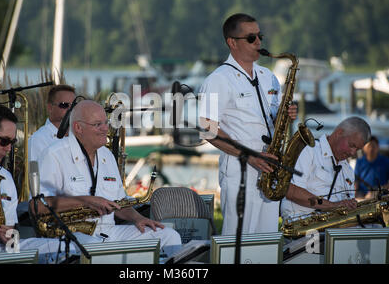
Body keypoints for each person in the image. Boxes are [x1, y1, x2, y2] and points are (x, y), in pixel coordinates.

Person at [0, 104, 98, 264]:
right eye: (4, 141)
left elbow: (10, 233)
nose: (9, 148)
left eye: (12, 142)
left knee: (78, 246)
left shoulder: (4, 177)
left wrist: (11, 235)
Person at [37, 100, 181, 255]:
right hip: (72, 234)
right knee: (94, 248)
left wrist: (138, 218)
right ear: (78, 128)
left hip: (109, 232)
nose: (106, 128)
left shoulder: (107, 155)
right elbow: (39, 206)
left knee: (169, 236)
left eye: (106, 123)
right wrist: (85, 201)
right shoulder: (54, 155)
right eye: (98, 124)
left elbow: (119, 202)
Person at [198, 13, 297, 235]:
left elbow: (272, 120)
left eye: (259, 36)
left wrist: (287, 115)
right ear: (232, 42)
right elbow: (207, 129)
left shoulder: (268, 76)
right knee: (239, 242)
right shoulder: (217, 79)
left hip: (270, 168)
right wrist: (250, 156)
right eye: (251, 38)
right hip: (240, 169)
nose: (259, 42)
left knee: (267, 239)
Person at [281, 116, 371, 221]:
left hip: (332, 229)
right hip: (301, 227)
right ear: (339, 133)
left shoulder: (348, 170)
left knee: (376, 228)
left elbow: (346, 207)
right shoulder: (310, 150)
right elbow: (291, 191)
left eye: (358, 149)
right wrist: (334, 206)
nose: (353, 153)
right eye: (352, 145)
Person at [28, 84, 76, 162]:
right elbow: (34, 172)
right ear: (50, 108)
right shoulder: (37, 139)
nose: (70, 109)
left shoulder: (80, 135)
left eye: (74, 105)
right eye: (64, 105)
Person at [354, 136, 389, 200]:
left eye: (373, 146)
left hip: (381, 195)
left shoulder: (386, 161)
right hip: (362, 195)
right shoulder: (359, 161)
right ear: (364, 148)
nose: (371, 149)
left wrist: (380, 190)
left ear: (378, 147)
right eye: (369, 146)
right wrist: (354, 195)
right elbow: (356, 181)